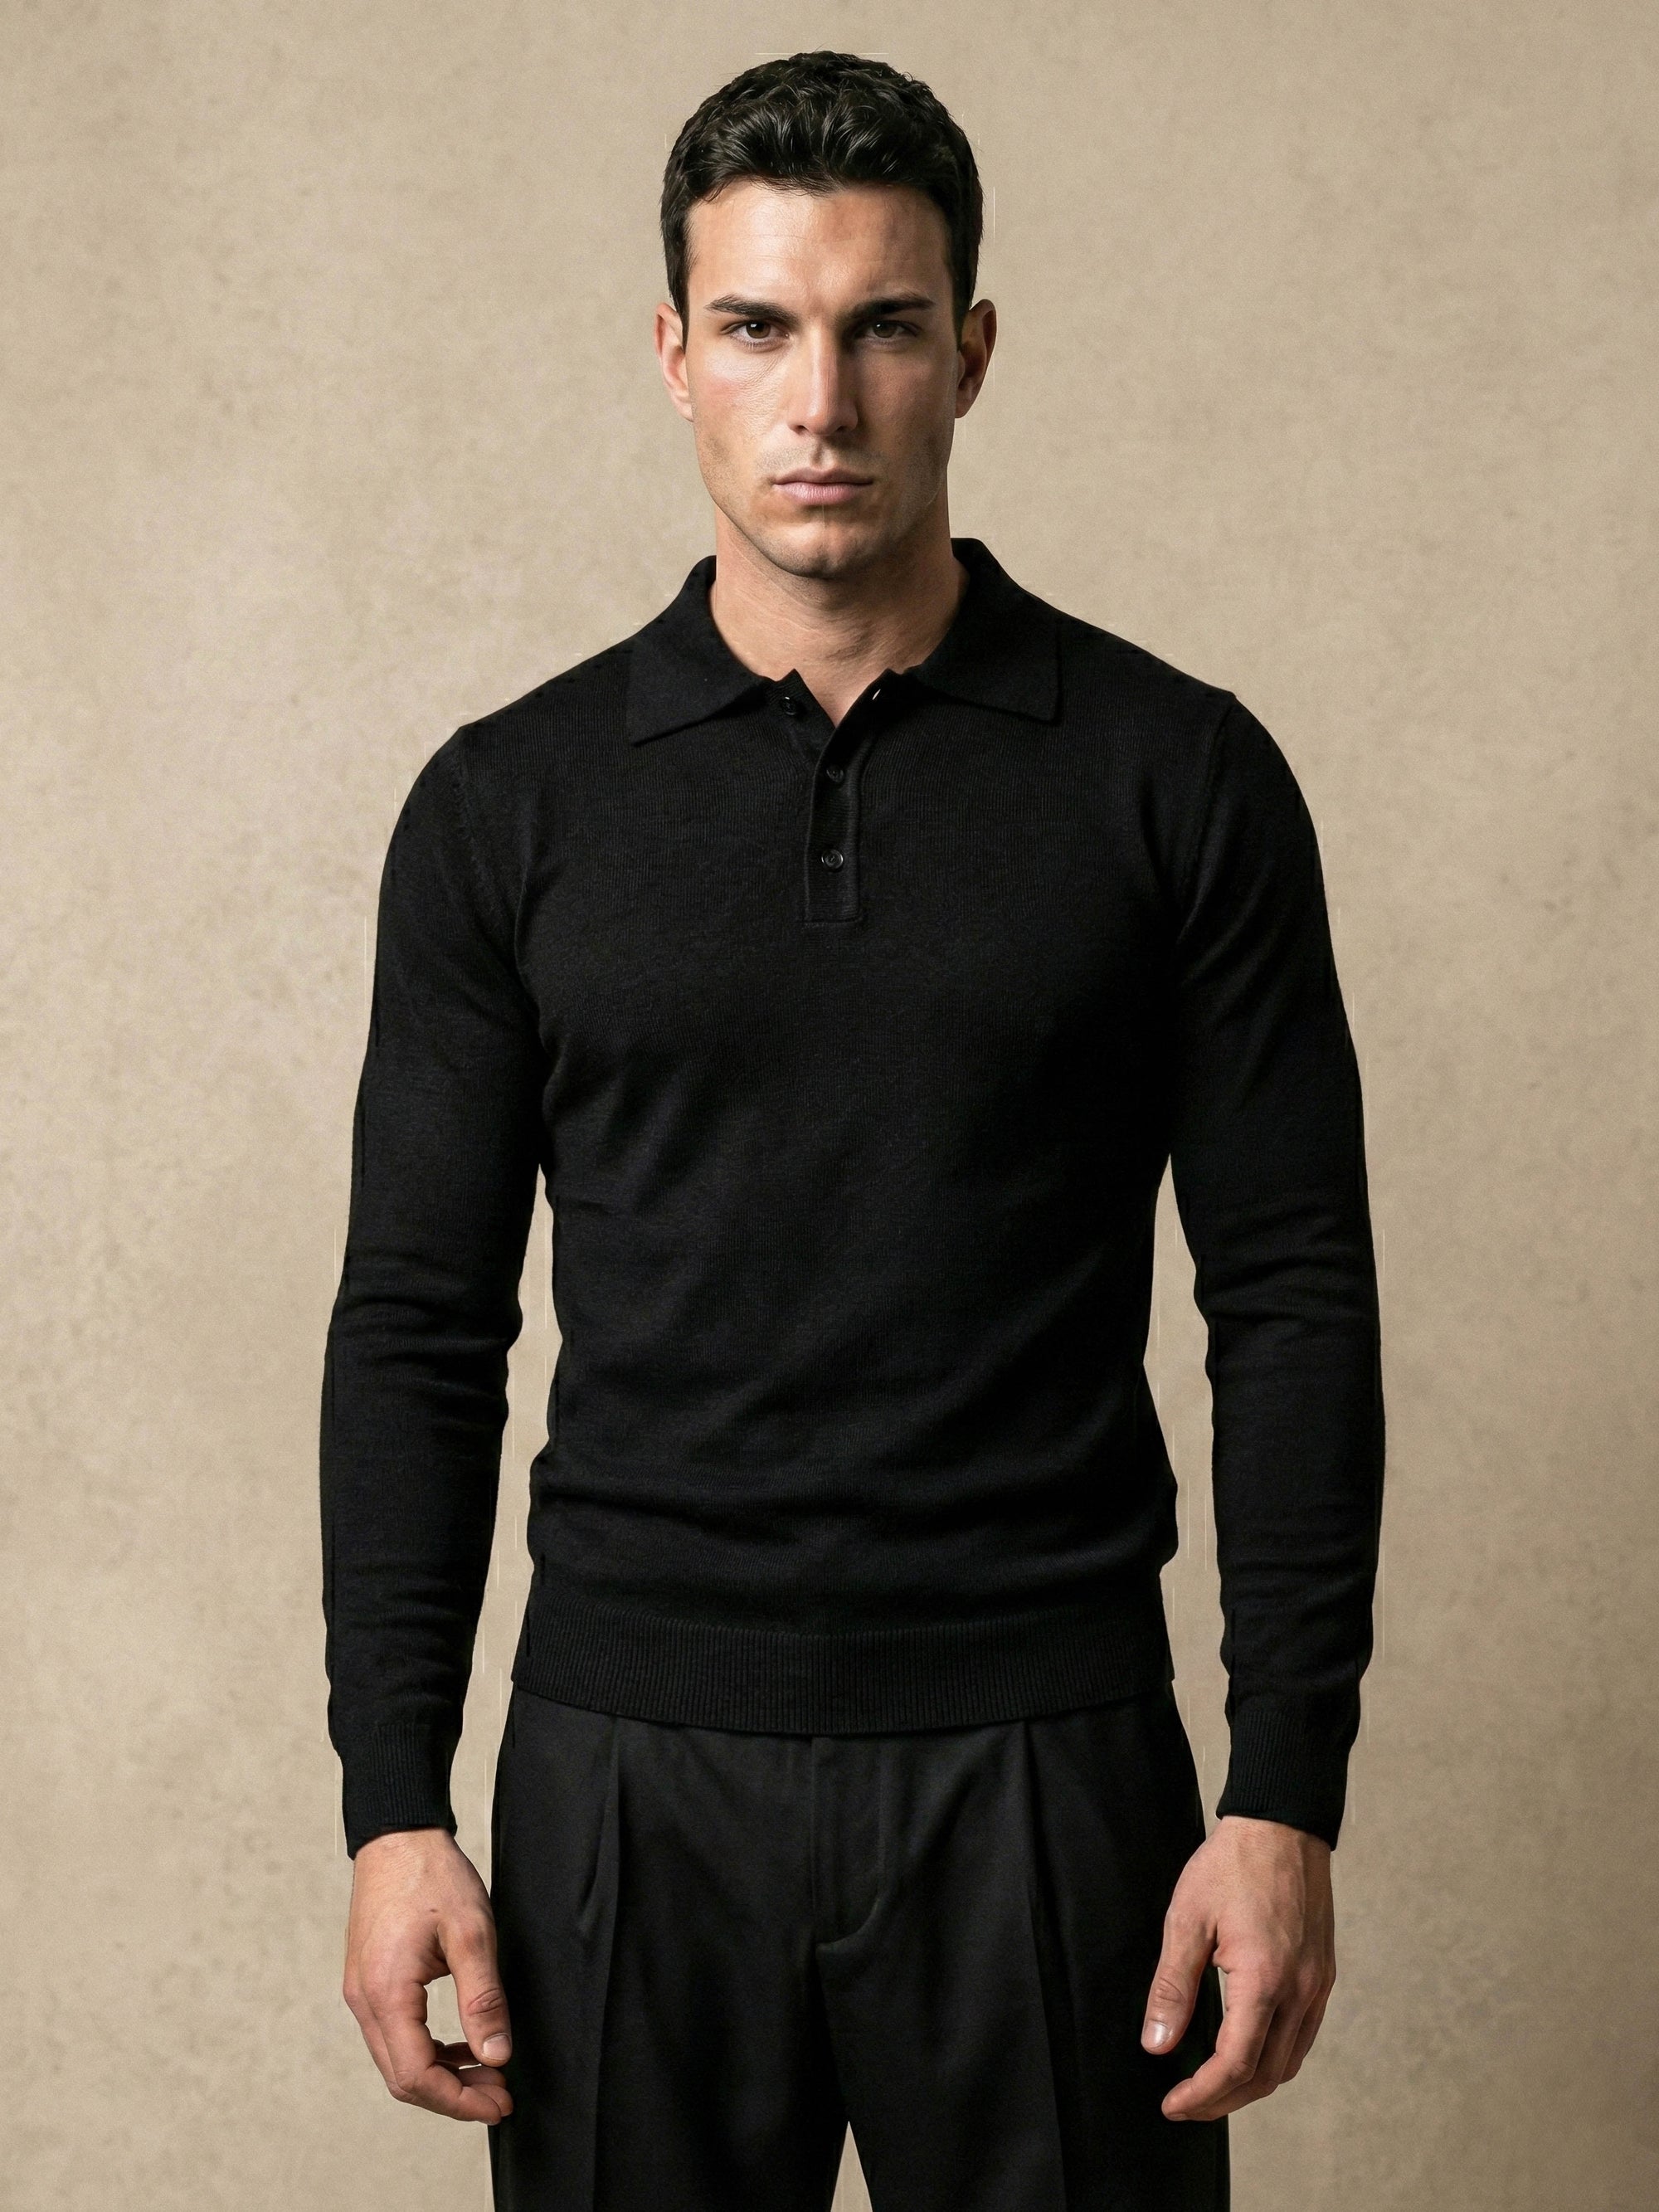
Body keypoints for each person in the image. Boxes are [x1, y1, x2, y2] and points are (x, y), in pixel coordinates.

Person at [320, 48, 1384, 2212]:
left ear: (969, 354)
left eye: (884, 328)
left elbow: (1291, 1295)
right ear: (674, 355)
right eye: (759, 328)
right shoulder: (508, 808)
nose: (822, 401)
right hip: (626, 1768)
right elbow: (421, 1324)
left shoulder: (1175, 777)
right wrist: (390, 1799)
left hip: (1049, 1756)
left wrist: (1285, 1785)